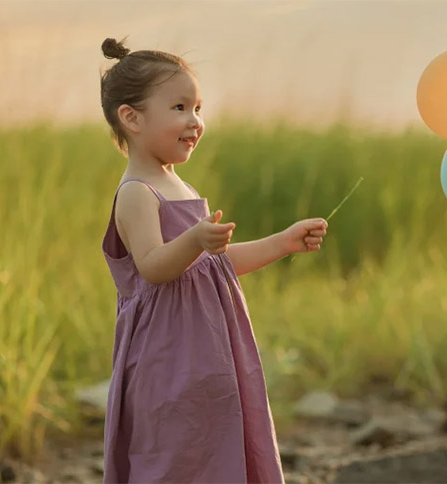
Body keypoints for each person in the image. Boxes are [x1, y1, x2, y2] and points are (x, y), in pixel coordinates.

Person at [99, 36, 328, 483]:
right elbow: (153, 266)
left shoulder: (178, 185)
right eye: (180, 108)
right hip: (165, 358)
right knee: (171, 450)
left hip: (211, 351)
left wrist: (282, 242)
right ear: (132, 118)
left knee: (215, 444)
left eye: (198, 108)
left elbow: (213, 268)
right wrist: (194, 241)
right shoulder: (136, 194)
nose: (195, 121)